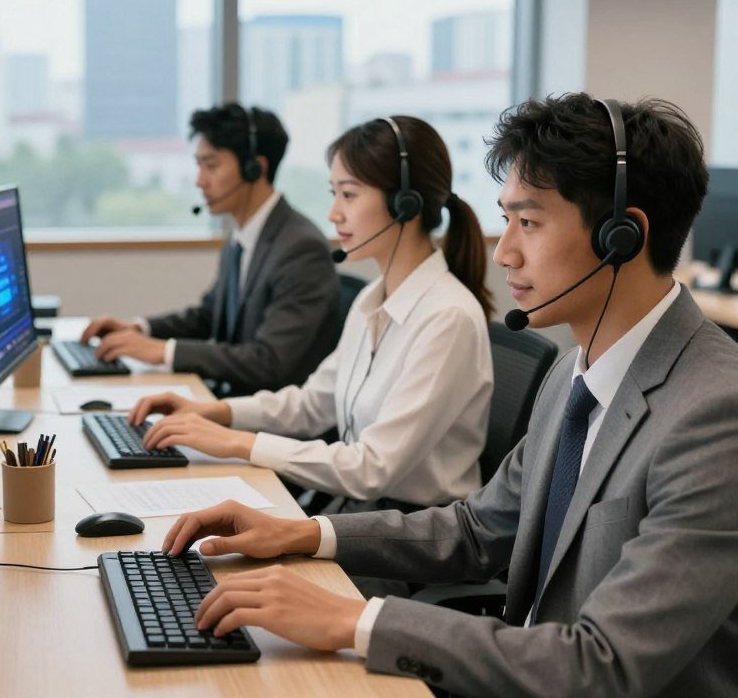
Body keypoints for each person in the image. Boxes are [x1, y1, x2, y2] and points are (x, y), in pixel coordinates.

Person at [159, 94, 738, 698]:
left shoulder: (713, 416)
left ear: (623, 236)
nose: (504, 252)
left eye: (530, 222)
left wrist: (355, 619)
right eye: (506, 220)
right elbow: (476, 529)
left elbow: (602, 665)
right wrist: (304, 534)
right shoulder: (577, 371)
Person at [131, 116, 494, 516]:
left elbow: (372, 469)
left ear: (404, 204)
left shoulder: (448, 318)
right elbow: (310, 405)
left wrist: (239, 442)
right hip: (360, 512)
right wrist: (215, 412)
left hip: (413, 537)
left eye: (349, 195)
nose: (334, 213)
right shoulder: (373, 300)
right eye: (333, 193)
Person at [80, 103, 340, 397]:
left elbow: (269, 361)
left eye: (211, 165)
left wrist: (165, 352)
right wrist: (141, 328)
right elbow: (209, 315)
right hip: (232, 402)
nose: (199, 180)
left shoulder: (300, 249)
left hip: (271, 424)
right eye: (198, 165)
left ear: (255, 168)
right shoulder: (243, 234)